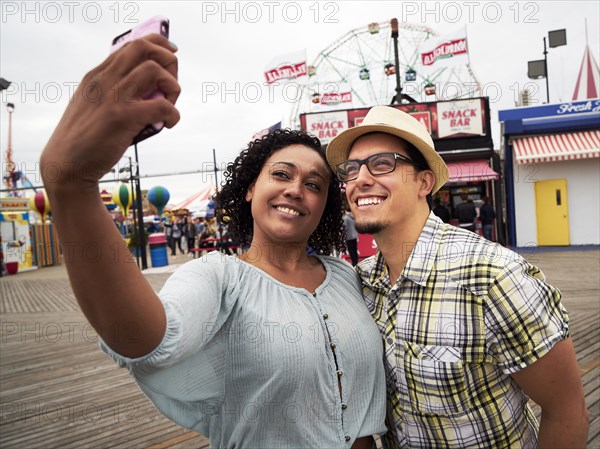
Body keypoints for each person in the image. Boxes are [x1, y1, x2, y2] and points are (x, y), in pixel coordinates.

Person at [39, 34, 385, 448]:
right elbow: (144, 338)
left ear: (326, 205)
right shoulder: (219, 279)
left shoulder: (348, 278)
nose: (296, 189)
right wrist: (72, 188)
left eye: (314, 184)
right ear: (248, 191)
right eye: (281, 174)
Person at [326, 105, 589, 449]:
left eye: (382, 164)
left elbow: (566, 411)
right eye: (351, 169)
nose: (360, 179)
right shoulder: (361, 282)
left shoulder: (492, 276)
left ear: (424, 182)